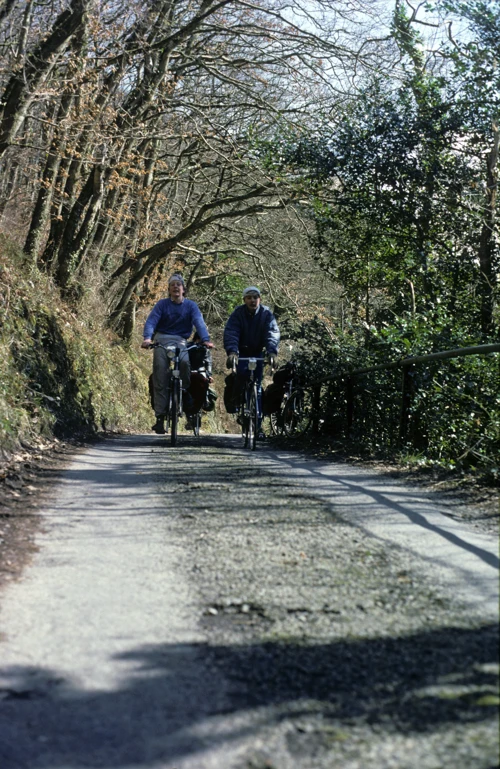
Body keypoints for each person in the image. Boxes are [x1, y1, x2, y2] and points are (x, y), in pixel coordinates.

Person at [142, 274, 212, 434]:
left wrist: (205, 340)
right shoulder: (162, 305)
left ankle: (184, 390)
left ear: (183, 289)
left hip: (181, 341)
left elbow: (199, 322)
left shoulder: (191, 306)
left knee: (185, 363)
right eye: (172, 284)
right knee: (160, 373)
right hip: (161, 339)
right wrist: (147, 338)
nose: (175, 287)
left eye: (178, 284)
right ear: (168, 289)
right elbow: (151, 321)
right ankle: (160, 417)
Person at [223, 285, 280, 438]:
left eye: (255, 297)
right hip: (241, 352)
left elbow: (272, 333)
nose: (252, 300)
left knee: (258, 388)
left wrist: (272, 352)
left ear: (259, 299)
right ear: (244, 300)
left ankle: (258, 426)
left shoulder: (266, 314)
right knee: (241, 376)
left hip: (257, 352)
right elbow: (232, 332)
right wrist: (232, 352)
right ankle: (238, 402)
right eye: (249, 298)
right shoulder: (238, 314)